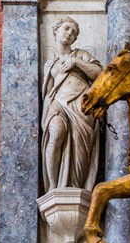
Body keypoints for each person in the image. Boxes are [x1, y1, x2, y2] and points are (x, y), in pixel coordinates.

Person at [41, 16, 103, 192]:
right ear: (56, 30)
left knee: (79, 152)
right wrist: (44, 118)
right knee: (55, 134)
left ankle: (75, 187)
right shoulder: (49, 64)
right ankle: (52, 188)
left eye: (74, 32)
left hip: (80, 107)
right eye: (67, 28)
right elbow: (48, 93)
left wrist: (76, 62)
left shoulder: (81, 55)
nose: (70, 33)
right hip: (58, 105)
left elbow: (99, 74)